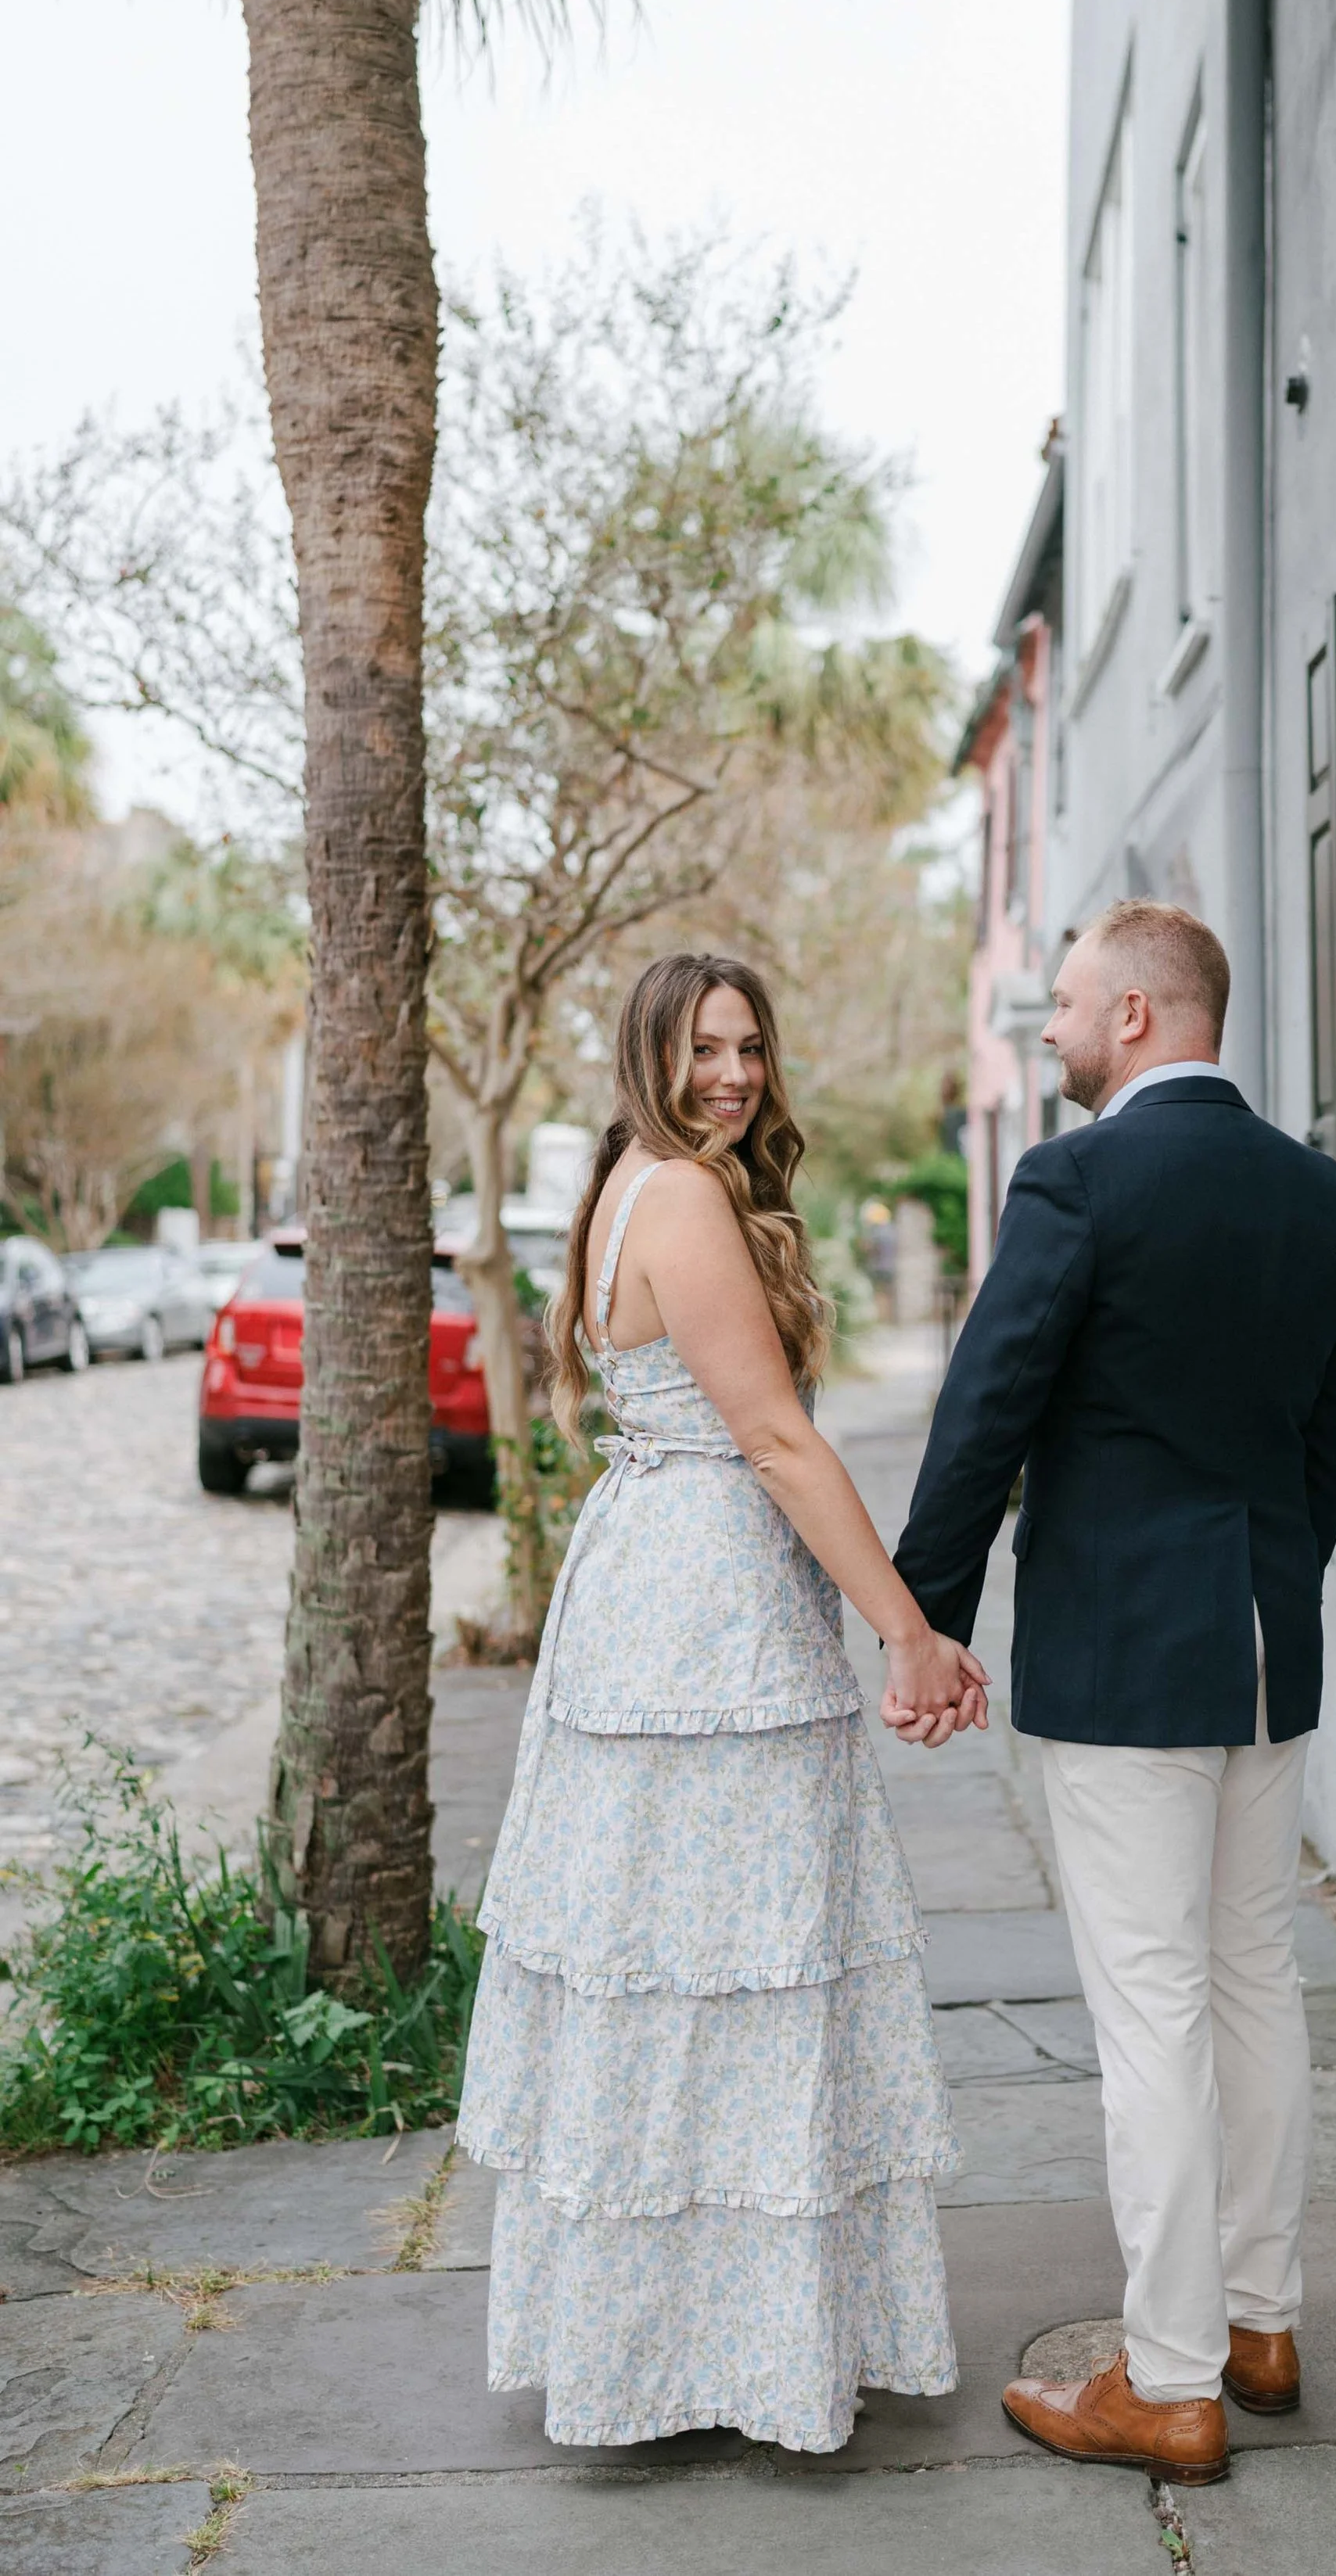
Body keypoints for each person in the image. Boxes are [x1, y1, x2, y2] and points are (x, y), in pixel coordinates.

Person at [457, 951, 988, 2454]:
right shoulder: (683, 1195)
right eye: (705, 1050)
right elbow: (773, 1437)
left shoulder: (635, 1178)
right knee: (724, 1968)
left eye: (751, 1046)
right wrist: (908, 1630)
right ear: (651, 1055)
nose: (736, 1075)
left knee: (684, 1967)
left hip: (660, 1588)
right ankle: (723, 2352)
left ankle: (684, 2342)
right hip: (703, 1624)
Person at [887, 900, 1336, 2486]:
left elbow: (984, 1411)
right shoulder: (1322, 1197)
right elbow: (1321, 1451)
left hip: (1122, 1657)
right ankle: (1258, 2319)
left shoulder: (1077, 1181)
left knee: (1152, 2013)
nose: (1050, 1028)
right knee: (1248, 1985)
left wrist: (924, 1617)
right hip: (1258, 1649)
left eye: (1071, 1004)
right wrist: (1266, 1603)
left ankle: (1164, 2384)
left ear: (1145, 1017)